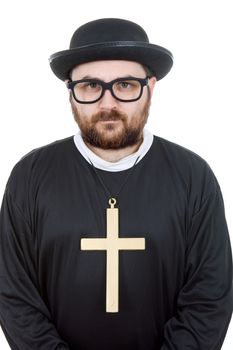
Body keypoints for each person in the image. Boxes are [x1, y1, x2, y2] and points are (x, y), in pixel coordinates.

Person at [0, 18, 232, 350]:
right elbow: (14, 296)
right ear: (71, 92)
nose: (107, 103)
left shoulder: (194, 178)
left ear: (150, 88)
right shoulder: (29, 177)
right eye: (91, 85)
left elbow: (209, 298)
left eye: (125, 84)